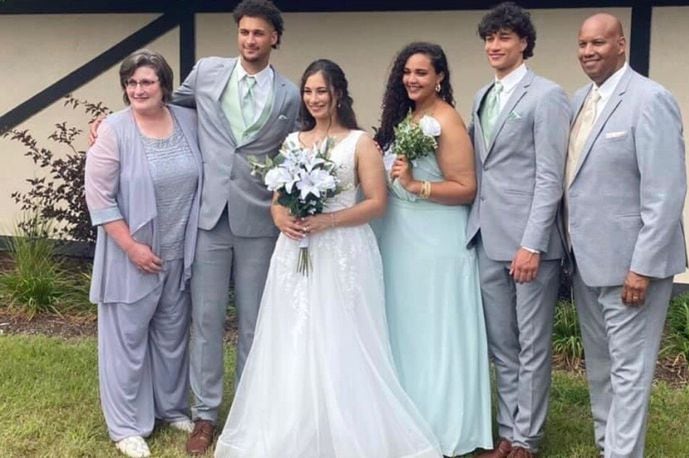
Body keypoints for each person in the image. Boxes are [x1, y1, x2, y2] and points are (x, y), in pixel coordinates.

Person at [214, 59, 441, 458]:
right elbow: (277, 200)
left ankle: (349, 428)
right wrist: (282, 216)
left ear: (337, 93)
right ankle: (293, 426)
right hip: (295, 251)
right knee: (294, 334)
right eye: (308, 91)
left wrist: (328, 220)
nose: (314, 99)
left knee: (342, 336)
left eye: (321, 91)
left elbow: (376, 203)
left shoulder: (359, 142)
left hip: (343, 252)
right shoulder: (291, 143)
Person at [171, 1, 300, 453]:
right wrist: (113, 127)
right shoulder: (206, 72)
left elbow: (301, 145)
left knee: (254, 322)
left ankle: (248, 413)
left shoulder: (289, 94)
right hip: (209, 216)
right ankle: (204, 415)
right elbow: (168, 106)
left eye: (259, 34)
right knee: (205, 320)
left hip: (260, 219)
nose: (250, 41)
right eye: (244, 32)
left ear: (274, 38)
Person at [565, 13, 688, 458]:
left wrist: (643, 266)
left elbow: (666, 192)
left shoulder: (651, 100)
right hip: (587, 262)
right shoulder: (580, 100)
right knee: (600, 369)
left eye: (598, 43)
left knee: (629, 372)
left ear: (621, 44)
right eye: (582, 44)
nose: (588, 52)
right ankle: (608, 448)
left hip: (632, 268)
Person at [373, 42, 492, 456]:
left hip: (436, 242)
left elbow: (466, 188)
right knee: (407, 330)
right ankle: (407, 417)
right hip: (401, 239)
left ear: (440, 76)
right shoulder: (410, 117)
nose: (412, 79)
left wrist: (415, 186)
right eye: (407, 72)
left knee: (436, 331)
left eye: (422, 72)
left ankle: (444, 425)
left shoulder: (446, 120)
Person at [464, 3, 570, 458]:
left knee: (532, 345)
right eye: (489, 38)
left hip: (530, 245)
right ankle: (507, 432)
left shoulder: (546, 96)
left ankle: (528, 439)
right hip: (486, 237)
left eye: (504, 38)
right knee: (502, 343)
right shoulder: (480, 97)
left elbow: (550, 176)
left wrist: (532, 243)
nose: (494, 46)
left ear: (523, 43)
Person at [84, 49, 202, 458]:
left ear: (164, 86)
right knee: (126, 343)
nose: (138, 89)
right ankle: (126, 427)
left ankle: (170, 407)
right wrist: (132, 248)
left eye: (147, 82)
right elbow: (99, 200)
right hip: (130, 256)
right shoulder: (113, 131)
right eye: (131, 83)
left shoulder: (188, 119)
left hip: (177, 253)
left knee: (172, 337)